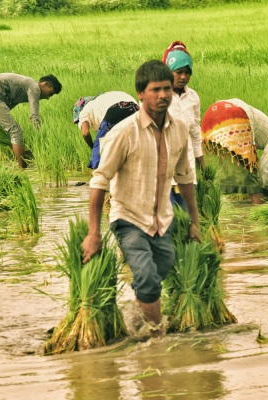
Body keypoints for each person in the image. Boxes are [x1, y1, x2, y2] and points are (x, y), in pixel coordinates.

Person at [81, 60, 201, 338]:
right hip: (128, 219)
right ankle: (156, 339)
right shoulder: (123, 133)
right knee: (146, 277)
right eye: (155, 90)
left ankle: (134, 315)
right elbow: (99, 182)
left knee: (165, 265)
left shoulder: (180, 129)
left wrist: (195, 221)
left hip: (163, 218)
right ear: (140, 94)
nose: (162, 96)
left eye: (167, 89)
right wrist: (93, 233)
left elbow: (185, 178)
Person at [201, 98, 268, 204]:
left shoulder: (266, 124)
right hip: (236, 113)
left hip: (212, 112)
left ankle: (207, 204)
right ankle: (257, 207)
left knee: (212, 162)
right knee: (249, 167)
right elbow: (264, 164)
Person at [0, 72, 62, 168]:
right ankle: (22, 169)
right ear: (45, 84)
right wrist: (41, 138)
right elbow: (34, 116)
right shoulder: (35, 87)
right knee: (16, 131)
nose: (48, 98)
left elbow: (7, 106)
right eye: (50, 93)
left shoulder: (25, 87)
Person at [163, 40, 205, 210]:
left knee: (185, 218)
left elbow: (195, 134)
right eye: (179, 72)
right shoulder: (158, 95)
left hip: (186, 171)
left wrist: (204, 167)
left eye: (188, 73)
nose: (183, 77)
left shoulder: (193, 97)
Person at [73, 91, 139, 169]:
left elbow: (85, 133)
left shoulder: (84, 110)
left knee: (98, 154)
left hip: (114, 110)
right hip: (135, 109)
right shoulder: (102, 99)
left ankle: (98, 177)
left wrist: (94, 147)